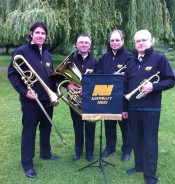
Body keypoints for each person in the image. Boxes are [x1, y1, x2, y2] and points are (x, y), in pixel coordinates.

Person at [8, 22, 61, 179]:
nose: (40, 36)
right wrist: (25, 92)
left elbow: (50, 77)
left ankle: (45, 153)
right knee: (29, 131)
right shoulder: (21, 52)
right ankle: (27, 163)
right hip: (30, 101)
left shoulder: (47, 54)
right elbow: (12, 75)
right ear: (31, 34)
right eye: (37, 32)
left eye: (43, 33)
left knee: (46, 128)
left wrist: (54, 95)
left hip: (47, 99)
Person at [123, 29, 175, 184]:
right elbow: (126, 86)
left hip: (151, 109)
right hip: (133, 107)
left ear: (151, 41)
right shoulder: (130, 61)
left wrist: (154, 86)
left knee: (149, 142)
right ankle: (138, 166)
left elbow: (171, 80)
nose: (141, 43)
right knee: (136, 139)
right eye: (138, 41)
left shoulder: (159, 59)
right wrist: (124, 108)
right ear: (134, 43)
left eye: (144, 40)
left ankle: (150, 175)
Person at [96, 29, 132, 161]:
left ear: (122, 41)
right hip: (108, 97)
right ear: (109, 42)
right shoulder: (104, 58)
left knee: (125, 126)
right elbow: (99, 75)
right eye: (112, 40)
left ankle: (127, 150)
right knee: (109, 125)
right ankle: (110, 147)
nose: (115, 42)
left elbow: (131, 80)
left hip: (123, 98)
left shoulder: (129, 57)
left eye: (117, 40)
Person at [67, 34, 96, 162]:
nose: (83, 45)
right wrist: (68, 85)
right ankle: (78, 152)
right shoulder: (70, 60)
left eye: (86, 43)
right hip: (75, 100)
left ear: (89, 46)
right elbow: (60, 78)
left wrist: (87, 88)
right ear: (77, 44)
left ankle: (89, 153)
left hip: (90, 101)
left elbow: (99, 80)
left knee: (90, 128)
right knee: (77, 128)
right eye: (81, 42)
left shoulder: (95, 62)